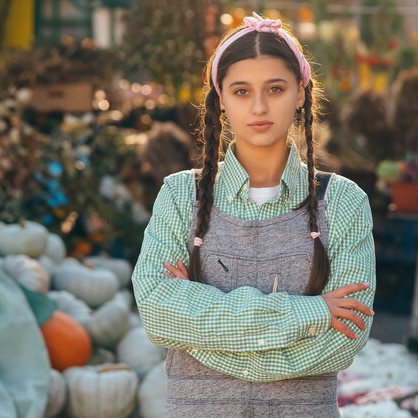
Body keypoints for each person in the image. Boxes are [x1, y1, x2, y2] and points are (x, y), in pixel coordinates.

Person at [131, 12, 376, 417]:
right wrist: (310, 311)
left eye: (275, 89)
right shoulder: (179, 196)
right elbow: (158, 314)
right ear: (221, 99)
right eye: (241, 91)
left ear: (300, 93)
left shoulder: (344, 202)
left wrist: (198, 326)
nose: (259, 107)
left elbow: (345, 339)